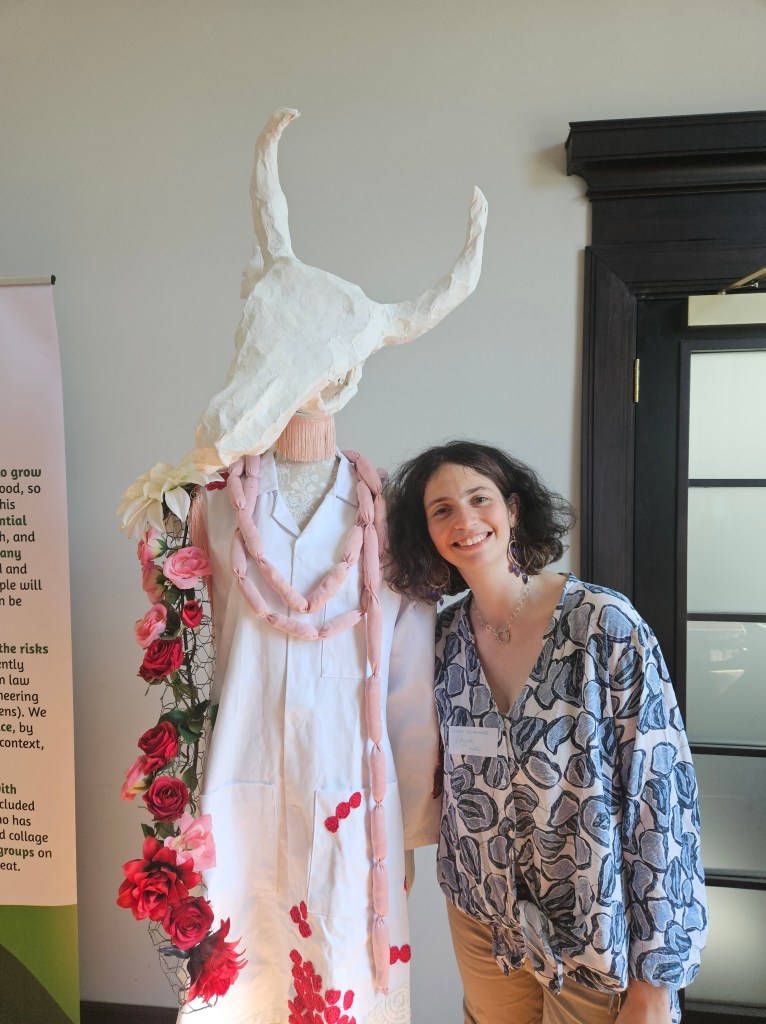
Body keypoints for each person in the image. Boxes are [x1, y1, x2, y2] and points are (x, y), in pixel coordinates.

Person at [385, 440, 707, 1024]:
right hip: (482, 919)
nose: (464, 521)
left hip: (594, 924)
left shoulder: (603, 625)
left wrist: (657, 982)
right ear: (426, 533)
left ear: (512, 509)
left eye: (479, 499)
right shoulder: (441, 641)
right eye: (441, 510)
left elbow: (663, 802)